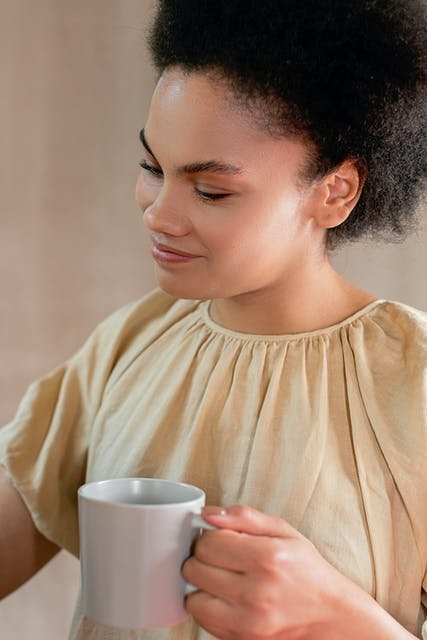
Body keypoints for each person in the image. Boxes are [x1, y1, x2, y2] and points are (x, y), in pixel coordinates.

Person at [0, 0, 426, 638]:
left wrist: (337, 617)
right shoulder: (135, 339)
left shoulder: (413, 377)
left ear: (334, 191)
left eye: (210, 190)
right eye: (153, 168)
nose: (157, 213)